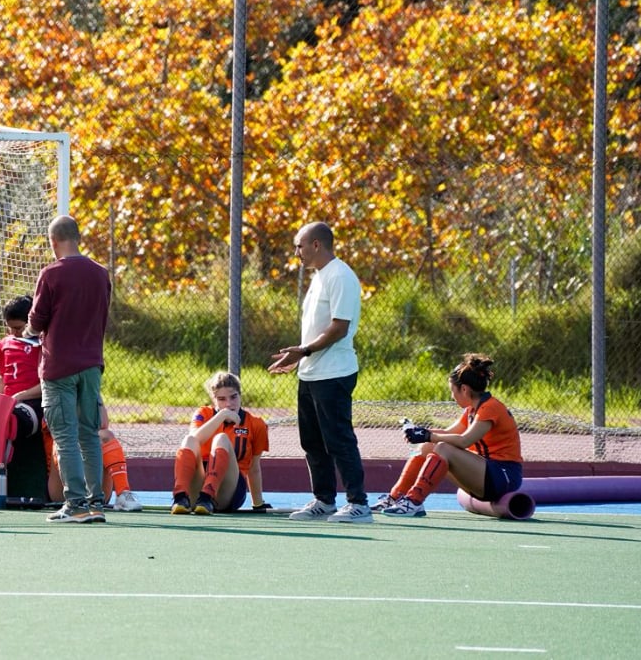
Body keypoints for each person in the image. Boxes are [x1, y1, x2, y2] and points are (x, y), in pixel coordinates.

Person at [268, 221, 370, 523]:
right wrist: (299, 358)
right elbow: (316, 328)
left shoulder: (341, 276)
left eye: (300, 245)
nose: (296, 251)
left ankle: (359, 503)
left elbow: (339, 328)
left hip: (334, 374)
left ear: (316, 245)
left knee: (338, 439)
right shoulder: (319, 277)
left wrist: (305, 351)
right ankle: (324, 500)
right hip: (311, 373)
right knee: (312, 442)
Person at [28, 215, 112, 524]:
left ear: (53, 242)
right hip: (91, 364)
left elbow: (37, 320)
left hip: (59, 365)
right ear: (78, 237)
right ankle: (96, 502)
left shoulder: (51, 274)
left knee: (65, 436)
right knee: (90, 433)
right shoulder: (100, 274)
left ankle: (75, 503)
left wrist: (30, 328)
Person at [377, 354, 523, 517]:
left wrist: (428, 435)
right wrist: (420, 432)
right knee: (427, 447)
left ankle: (414, 501)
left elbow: (464, 440)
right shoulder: (471, 409)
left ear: (464, 389)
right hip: (486, 474)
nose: (452, 397)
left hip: (503, 478)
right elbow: (447, 433)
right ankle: (395, 497)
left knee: (443, 448)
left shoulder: (490, 408)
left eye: (452, 391)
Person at [171, 371, 270, 515]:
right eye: (222, 399)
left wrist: (258, 504)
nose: (229, 404)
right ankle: (180, 498)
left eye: (233, 397)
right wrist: (222, 415)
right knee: (188, 439)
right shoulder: (203, 413)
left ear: (240, 395)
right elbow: (194, 439)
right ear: (214, 400)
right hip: (199, 483)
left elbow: (254, 468)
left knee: (221, 439)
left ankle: (207, 497)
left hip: (228, 490)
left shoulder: (256, 424)